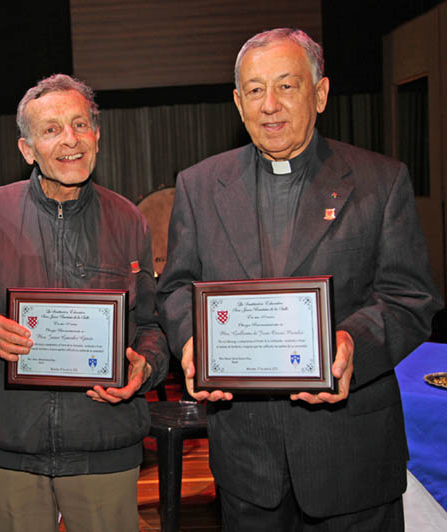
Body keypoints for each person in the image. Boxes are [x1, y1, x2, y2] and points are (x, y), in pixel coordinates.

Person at [157, 28, 442, 531]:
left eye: (287, 86)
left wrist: (355, 342)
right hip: (247, 462)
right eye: (255, 90)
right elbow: (177, 287)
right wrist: (191, 341)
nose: (270, 105)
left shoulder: (381, 181)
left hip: (352, 457)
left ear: (321, 93)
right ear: (237, 103)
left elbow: (409, 297)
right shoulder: (198, 186)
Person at [0, 74, 169, 532]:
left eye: (79, 124)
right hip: (9, 443)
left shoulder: (129, 219)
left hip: (103, 440)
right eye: (51, 129)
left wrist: (145, 368)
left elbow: (153, 325)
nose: (69, 140)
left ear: (96, 135)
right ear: (27, 149)